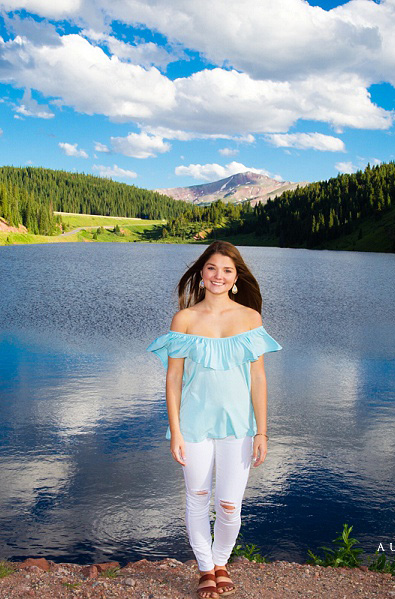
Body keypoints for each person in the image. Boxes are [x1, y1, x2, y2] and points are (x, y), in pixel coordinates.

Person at [147, 241, 281, 599]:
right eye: (211, 268)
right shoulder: (185, 319)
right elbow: (173, 379)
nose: (218, 276)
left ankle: (221, 560)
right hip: (192, 425)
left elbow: (258, 379)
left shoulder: (250, 318)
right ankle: (206, 568)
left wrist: (262, 431)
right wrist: (174, 430)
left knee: (229, 505)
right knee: (197, 496)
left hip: (239, 425)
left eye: (227, 270)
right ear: (201, 274)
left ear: (236, 277)